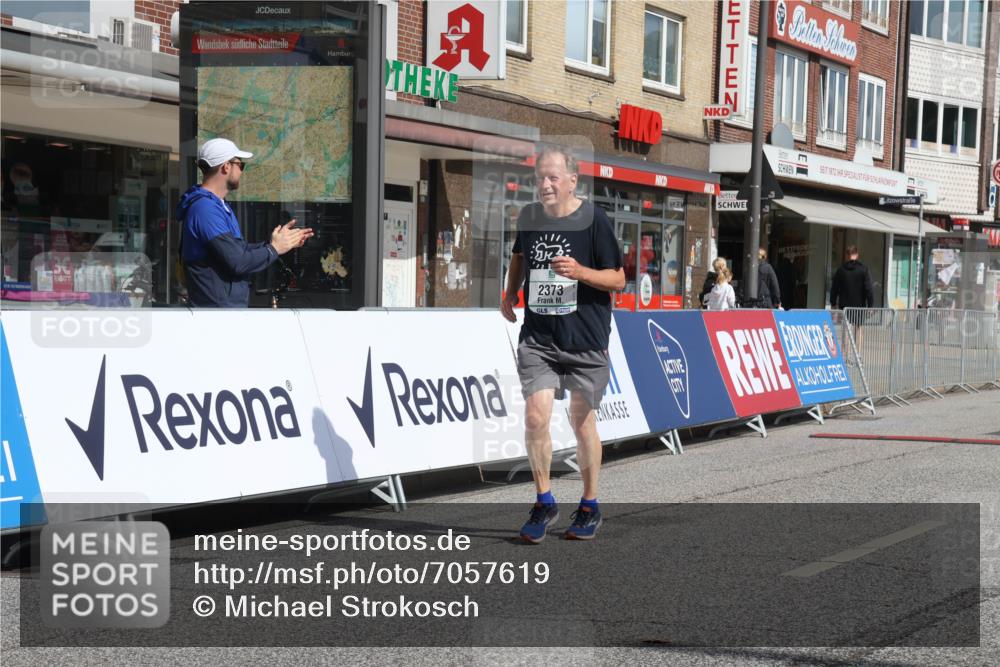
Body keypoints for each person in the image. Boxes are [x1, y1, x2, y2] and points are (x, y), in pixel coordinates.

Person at [500, 146, 625, 543]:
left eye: (554, 177)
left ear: (573, 180)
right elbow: (520, 255)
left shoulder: (595, 220)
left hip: (585, 339)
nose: (546, 184)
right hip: (539, 337)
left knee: (581, 421)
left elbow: (619, 280)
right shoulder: (530, 217)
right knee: (535, 417)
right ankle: (544, 500)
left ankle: (589, 505)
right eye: (541, 177)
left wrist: (580, 271)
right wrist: (509, 293)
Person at [177, 138, 313, 307]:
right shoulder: (204, 209)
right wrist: (274, 248)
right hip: (216, 318)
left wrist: (275, 244)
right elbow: (238, 262)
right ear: (226, 166)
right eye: (240, 165)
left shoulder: (218, 205)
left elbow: (239, 251)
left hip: (225, 314)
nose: (241, 171)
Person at [830, 245, 874, 354]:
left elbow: (834, 288)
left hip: (844, 306)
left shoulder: (841, 270)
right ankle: (857, 356)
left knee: (846, 330)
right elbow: (869, 289)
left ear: (847, 255)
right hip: (859, 306)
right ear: (857, 254)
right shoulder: (863, 270)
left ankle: (845, 355)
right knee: (858, 330)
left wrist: (833, 303)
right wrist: (870, 305)